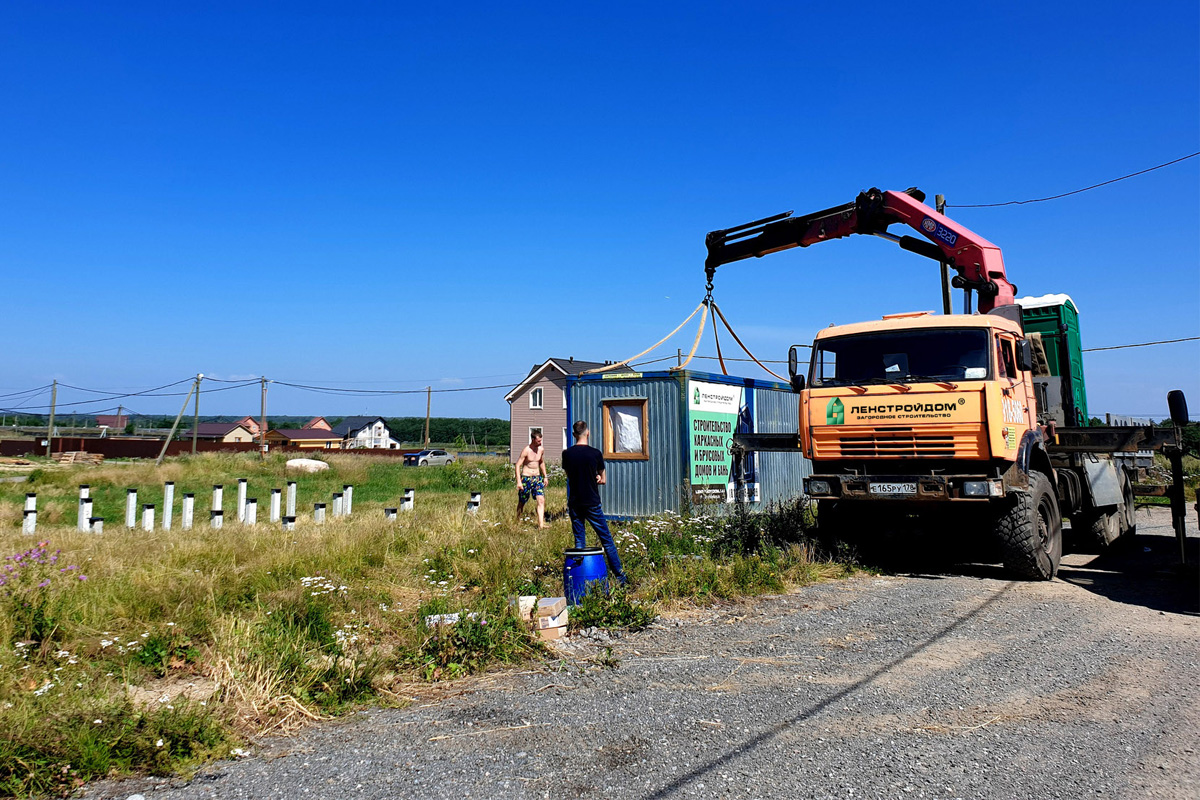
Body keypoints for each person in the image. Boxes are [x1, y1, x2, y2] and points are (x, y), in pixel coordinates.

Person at [561, 420, 627, 585]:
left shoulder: (567, 454)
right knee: (606, 539)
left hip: (575, 502)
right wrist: (596, 477)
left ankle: (579, 580)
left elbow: (570, 475)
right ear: (587, 433)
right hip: (592, 501)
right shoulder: (595, 453)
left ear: (574, 434)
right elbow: (602, 479)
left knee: (579, 540)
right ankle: (620, 578)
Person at [515, 429, 548, 528]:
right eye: (538, 441)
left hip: (537, 478)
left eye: (541, 441)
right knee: (522, 501)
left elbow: (541, 462)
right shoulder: (526, 450)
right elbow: (517, 465)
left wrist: (545, 476)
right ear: (533, 439)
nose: (540, 443)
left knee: (541, 499)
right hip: (526, 478)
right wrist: (519, 482)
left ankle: (541, 524)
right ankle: (517, 520)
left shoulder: (541, 449)